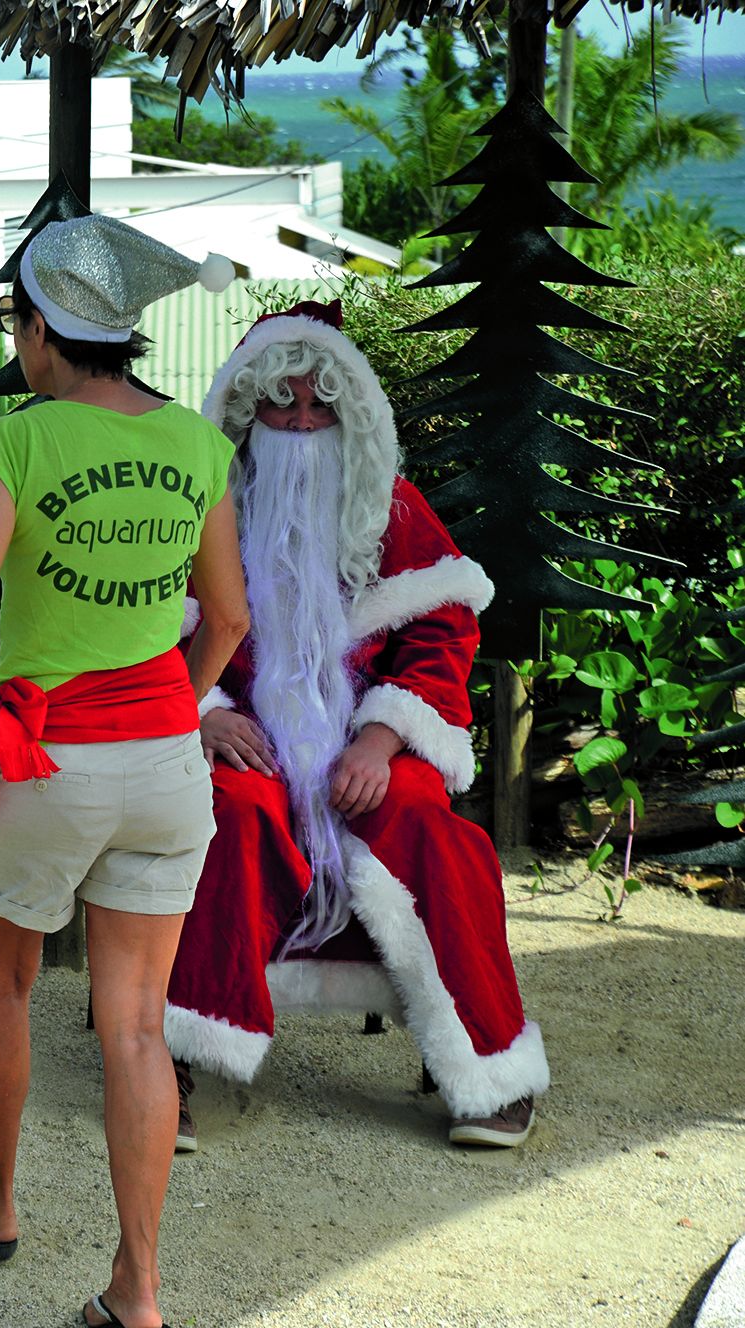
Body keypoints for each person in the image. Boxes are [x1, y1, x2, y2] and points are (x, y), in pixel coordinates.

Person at [0, 215, 247, 1328]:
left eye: (14, 321)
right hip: (164, 767)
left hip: (42, 763)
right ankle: (136, 1290)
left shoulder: (13, 444)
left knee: (1, 987)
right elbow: (227, 617)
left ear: (41, 330)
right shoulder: (197, 444)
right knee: (134, 1027)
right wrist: (167, 709)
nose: (15, 341)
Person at [164, 298, 549, 1150]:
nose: (302, 423)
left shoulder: (394, 508)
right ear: (245, 412)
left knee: (422, 821)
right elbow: (148, 629)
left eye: (321, 405)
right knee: (228, 813)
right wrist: (203, 711)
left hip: (370, 742)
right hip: (244, 740)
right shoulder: (198, 508)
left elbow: (442, 630)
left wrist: (380, 737)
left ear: (351, 414)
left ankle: (488, 1070)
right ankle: (177, 1054)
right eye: (281, 404)